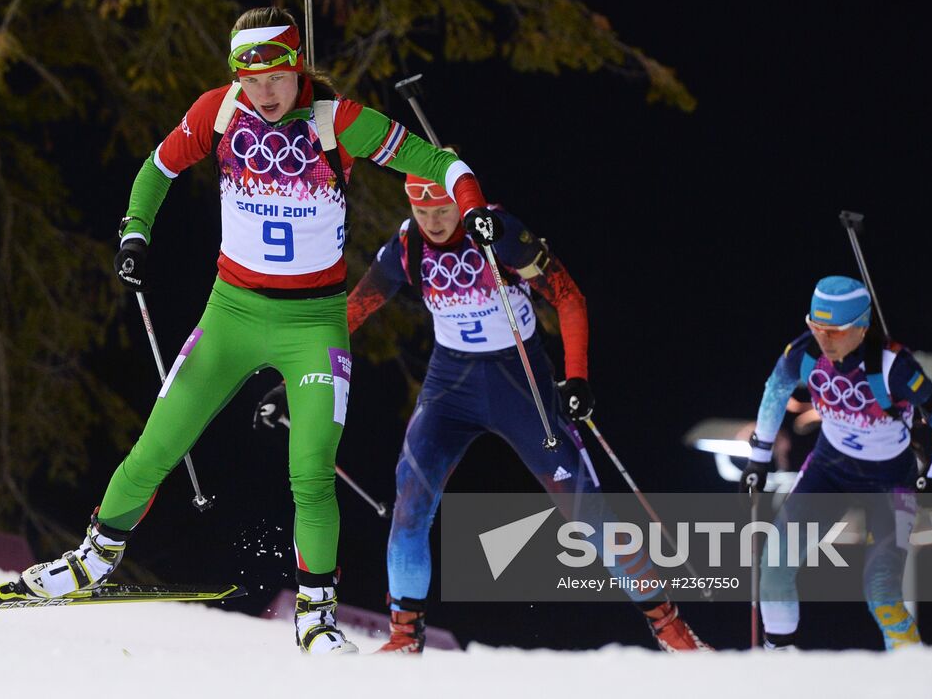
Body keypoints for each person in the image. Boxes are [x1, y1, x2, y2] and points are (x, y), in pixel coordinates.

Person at [19, 8, 498, 656]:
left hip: (313, 322)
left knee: (309, 471)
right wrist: (136, 230)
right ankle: (93, 558)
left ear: (295, 66)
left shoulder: (339, 122)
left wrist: (472, 208)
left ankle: (316, 613)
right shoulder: (220, 112)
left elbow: (436, 161)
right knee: (157, 445)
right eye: (249, 76)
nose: (262, 91)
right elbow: (157, 168)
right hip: (232, 314)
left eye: (274, 76)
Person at [259, 175, 709, 653]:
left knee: (586, 510)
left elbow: (568, 297)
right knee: (410, 500)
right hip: (450, 386)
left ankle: (670, 627)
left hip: (518, 382)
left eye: (442, 211)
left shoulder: (498, 232)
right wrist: (292, 384)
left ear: (461, 202)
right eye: (422, 211)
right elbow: (353, 313)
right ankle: (405, 636)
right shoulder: (408, 246)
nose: (432, 222)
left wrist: (576, 377)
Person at [741, 276, 932, 650]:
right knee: (775, 563)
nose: (824, 339)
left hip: (891, 480)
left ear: (862, 327)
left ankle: (914, 674)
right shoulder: (803, 353)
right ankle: (776, 669)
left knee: (881, 589)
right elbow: (775, 389)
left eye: (835, 331)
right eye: (816, 327)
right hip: (829, 470)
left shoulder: (895, 366)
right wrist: (759, 459)